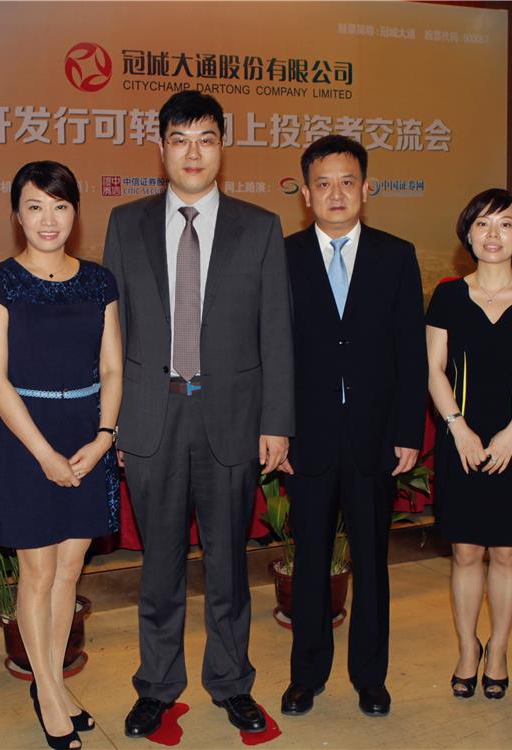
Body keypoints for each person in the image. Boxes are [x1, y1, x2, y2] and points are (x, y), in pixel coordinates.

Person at [103, 90, 294, 738]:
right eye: (180, 140)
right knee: (158, 566)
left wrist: (277, 422)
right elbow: (112, 334)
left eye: (206, 139)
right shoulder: (126, 224)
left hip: (231, 417)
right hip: (151, 416)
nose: (193, 153)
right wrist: (113, 422)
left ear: (222, 148)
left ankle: (231, 682)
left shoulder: (258, 226)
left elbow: (276, 332)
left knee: (228, 566)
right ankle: (157, 686)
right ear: (160, 148)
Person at [0, 161, 121, 749]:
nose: (48, 218)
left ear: (75, 212)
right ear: (17, 214)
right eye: (35, 206)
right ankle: (51, 697)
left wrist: (104, 437)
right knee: (36, 572)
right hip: (27, 437)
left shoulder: (100, 281)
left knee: (69, 570)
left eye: (59, 205)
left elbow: (112, 367)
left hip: (88, 435)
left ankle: (52, 685)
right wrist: (43, 453)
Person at [278, 135, 426, 718]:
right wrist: (277, 428)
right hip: (306, 438)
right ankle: (306, 676)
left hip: (374, 437)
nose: (335, 193)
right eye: (323, 183)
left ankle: (370, 677)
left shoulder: (396, 255)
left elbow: (410, 352)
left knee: (371, 561)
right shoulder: (282, 256)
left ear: (366, 188)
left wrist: (408, 431)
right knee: (310, 560)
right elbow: (270, 352)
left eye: (346, 182)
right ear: (305, 193)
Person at [426, 189, 512, 700]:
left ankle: (498, 650)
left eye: (505, 224)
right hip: (460, 439)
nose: (493, 234)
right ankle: (468, 649)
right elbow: (434, 369)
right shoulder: (447, 296)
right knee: (465, 552)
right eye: (482, 223)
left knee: (506, 553)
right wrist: (458, 427)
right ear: (468, 233)